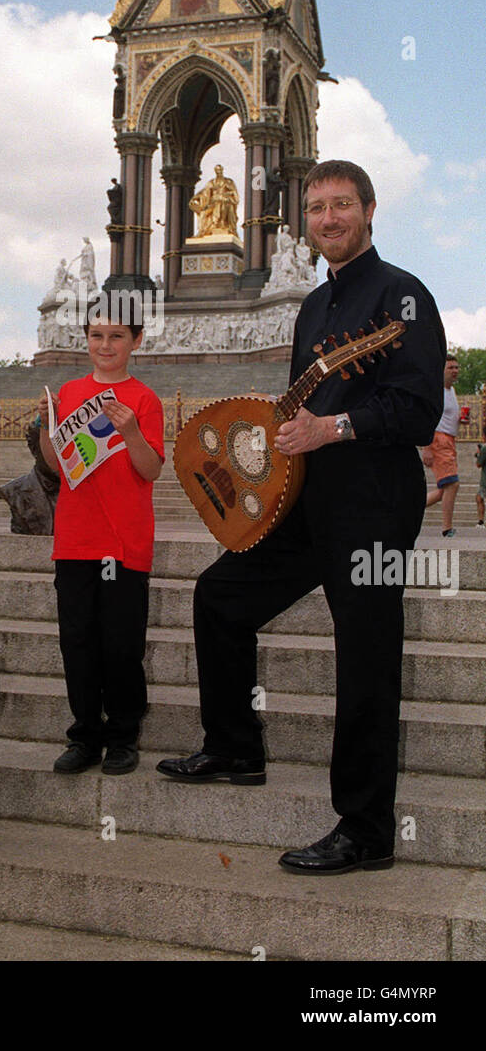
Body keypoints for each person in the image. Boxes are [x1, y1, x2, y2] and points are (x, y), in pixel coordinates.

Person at [157, 160, 446, 875]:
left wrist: (333, 428)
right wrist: (269, 444)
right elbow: (297, 409)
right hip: (308, 499)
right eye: (316, 208)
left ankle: (366, 829)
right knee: (219, 597)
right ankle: (233, 747)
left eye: (341, 205)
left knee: (366, 656)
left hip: (373, 503)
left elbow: (413, 410)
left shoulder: (402, 295)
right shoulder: (314, 307)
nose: (328, 219)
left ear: (368, 211)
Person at [37, 314, 164, 776]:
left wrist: (130, 431)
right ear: (86, 339)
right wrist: (49, 434)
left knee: (122, 645)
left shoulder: (144, 399)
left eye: (116, 337)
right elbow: (55, 466)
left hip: (125, 542)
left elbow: (150, 470)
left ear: (136, 341)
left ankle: (124, 736)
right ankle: (85, 734)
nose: (105, 345)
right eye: (96, 336)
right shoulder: (69, 393)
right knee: (78, 642)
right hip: (74, 539)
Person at [421, 354, 460, 537]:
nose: (455, 371)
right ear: (441, 370)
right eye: (450, 367)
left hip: (449, 440)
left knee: (443, 489)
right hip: (438, 439)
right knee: (452, 484)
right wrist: (427, 447)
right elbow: (428, 418)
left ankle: (412, 506)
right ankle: (447, 528)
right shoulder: (435, 391)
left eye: (456, 367)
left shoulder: (451, 391)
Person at [475, 442, 486, 529]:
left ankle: (481, 521)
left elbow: (478, 464)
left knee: (479, 498)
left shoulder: (484, 448)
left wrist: (479, 454)